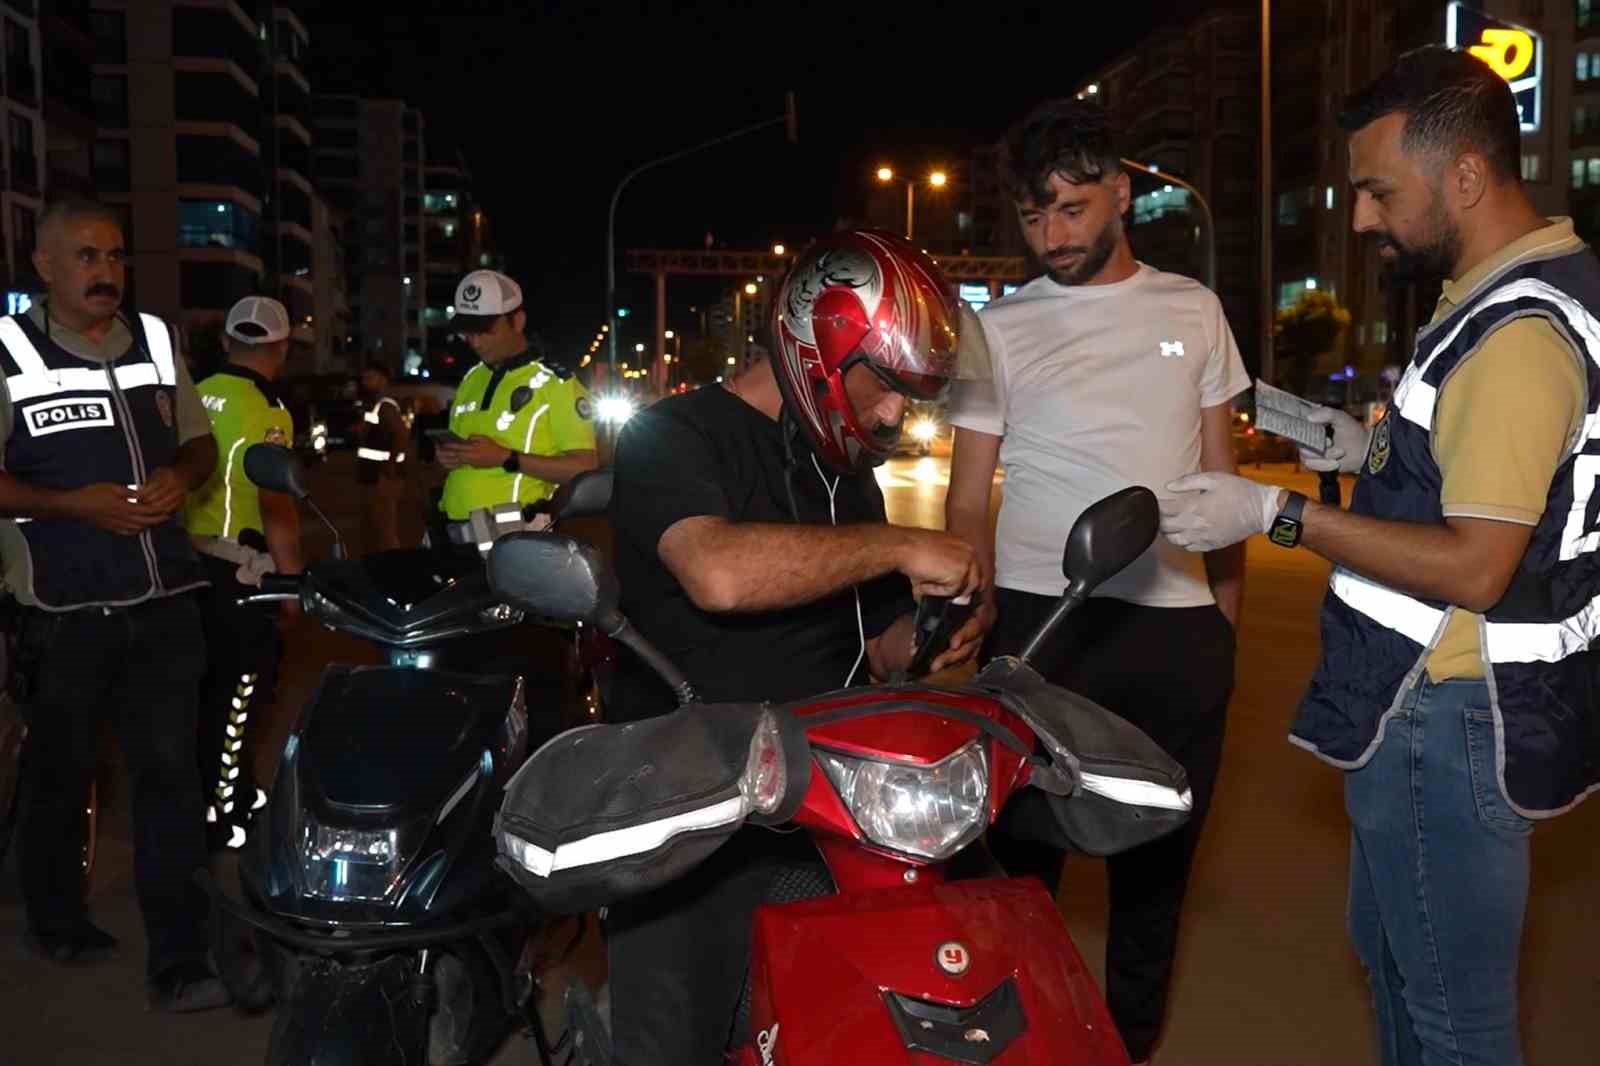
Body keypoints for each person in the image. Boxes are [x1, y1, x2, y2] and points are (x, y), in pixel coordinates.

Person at [1160, 47, 1600, 1066]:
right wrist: (1348, 445)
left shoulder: (1516, 336)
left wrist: (1269, 512)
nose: (1361, 217)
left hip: (1445, 718)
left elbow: (1473, 564)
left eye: (1375, 190)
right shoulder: (1521, 288)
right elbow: (1480, 469)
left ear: (1463, 176)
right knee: (1398, 965)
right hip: (1440, 714)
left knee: (1450, 1020)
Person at [605, 231, 984, 1065]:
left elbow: (873, 650)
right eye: (884, 385)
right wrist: (895, 546)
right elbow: (718, 573)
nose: (892, 415)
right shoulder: (672, 434)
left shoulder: (847, 473)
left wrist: (930, 636)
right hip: (687, 816)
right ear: (820, 345)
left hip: (824, 802)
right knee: (672, 1046)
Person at [942, 98, 1249, 1066]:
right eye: (1034, 218)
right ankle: (1024, 1041)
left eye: (1071, 209)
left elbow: (1220, 479)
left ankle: (1126, 1046)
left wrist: (1222, 625)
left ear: (1121, 193)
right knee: (1020, 863)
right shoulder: (1000, 326)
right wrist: (972, 605)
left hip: (1172, 624)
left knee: (1155, 873)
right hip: (1040, 624)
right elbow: (964, 494)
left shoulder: (1191, 307)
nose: (1052, 237)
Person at [0, 196, 226, 1010]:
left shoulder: (159, 341)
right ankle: (57, 919)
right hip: (62, 610)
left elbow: (198, 439)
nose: (106, 273)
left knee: (172, 776)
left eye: (115, 257)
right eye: (87, 258)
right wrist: (73, 505)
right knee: (60, 774)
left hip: (167, 598)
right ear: (46, 265)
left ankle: (183, 955)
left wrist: (184, 474)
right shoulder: (7, 352)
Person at [181, 295, 302, 851]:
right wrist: (293, 586)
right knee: (240, 695)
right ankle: (223, 815)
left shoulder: (190, 394)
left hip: (180, 567)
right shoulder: (269, 411)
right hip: (238, 573)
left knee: (192, 695)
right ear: (280, 348)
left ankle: (212, 797)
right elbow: (276, 505)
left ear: (227, 342)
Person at [434, 269, 597, 523]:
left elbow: (584, 468)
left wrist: (506, 458)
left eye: (485, 330)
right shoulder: (472, 378)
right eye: (468, 331)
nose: (475, 342)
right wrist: (450, 456)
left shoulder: (558, 384)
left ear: (517, 321)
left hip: (513, 533)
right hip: (452, 529)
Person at [355, 359, 408, 553]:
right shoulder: (376, 404)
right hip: (372, 474)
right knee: (374, 526)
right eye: (364, 378)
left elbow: (400, 435)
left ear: (383, 379)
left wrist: (391, 465)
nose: (365, 382)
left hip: (382, 477)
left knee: (384, 528)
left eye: (371, 378)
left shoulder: (385, 405)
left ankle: (391, 566)